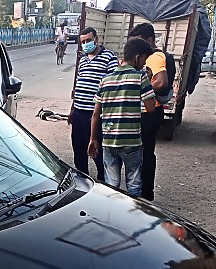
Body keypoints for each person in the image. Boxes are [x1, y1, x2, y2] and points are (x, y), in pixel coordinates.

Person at [88, 37, 155, 196]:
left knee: (111, 185)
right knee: (134, 184)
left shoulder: (105, 80)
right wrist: (149, 79)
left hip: (109, 141)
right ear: (138, 57)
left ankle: (113, 214)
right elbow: (151, 108)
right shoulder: (140, 77)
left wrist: (93, 139)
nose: (144, 64)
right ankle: (133, 216)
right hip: (131, 142)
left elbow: (96, 113)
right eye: (144, 59)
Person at [68, 27, 118, 181]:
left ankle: (103, 181)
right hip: (79, 113)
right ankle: (83, 180)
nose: (86, 44)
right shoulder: (82, 60)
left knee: (98, 151)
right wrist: (72, 110)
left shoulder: (109, 58)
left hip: (96, 115)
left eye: (88, 40)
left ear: (96, 39)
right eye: (83, 42)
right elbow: (78, 85)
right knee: (79, 150)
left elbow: (112, 86)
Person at [128, 23, 169, 201]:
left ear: (150, 41)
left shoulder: (155, 56)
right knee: (140, 152)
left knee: (144, 153)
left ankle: (145, 193)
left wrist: (136, 90)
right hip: (144, 112)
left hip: (148, 113)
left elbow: (161, 82)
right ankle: (142, 191)